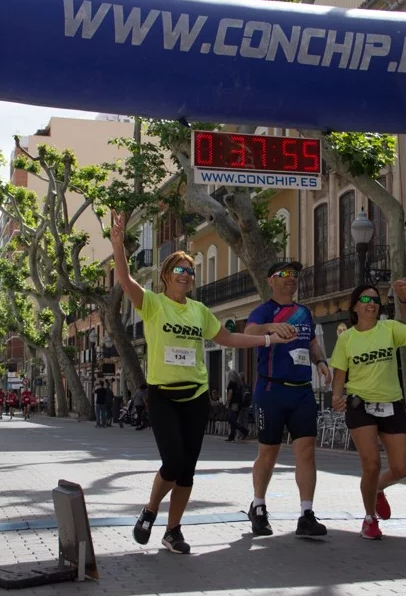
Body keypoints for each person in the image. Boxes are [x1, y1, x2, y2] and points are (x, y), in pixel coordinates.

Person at [110, 211, 294, 555]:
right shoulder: (152, 304)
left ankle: (173, 530)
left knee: (187, 471)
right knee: (173, 462)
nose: (186, 275)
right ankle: (151, 509)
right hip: (163, 395)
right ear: (166, 276)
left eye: (190, 271)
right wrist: (119, 246)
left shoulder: (198, 311)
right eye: (180, 269)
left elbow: (229, 339)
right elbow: (124, 278)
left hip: (195, 396)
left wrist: (268, 338)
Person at [329, 282, 406, 540]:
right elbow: (339, 374)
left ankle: (378, 489)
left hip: (392, 403)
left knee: (401, 468)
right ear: (354, 306)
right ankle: (370, 518)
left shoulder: (390, 329)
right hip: (359, 404)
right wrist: (337, 397)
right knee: (371, 464)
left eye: (375, 299)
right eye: (365, 299)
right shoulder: (346, 339)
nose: (371, 303)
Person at [243, 260, 333, 539]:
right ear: (271, 280)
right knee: (268, 452)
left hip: (302, 390)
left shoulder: (304, 312)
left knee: (306, 451)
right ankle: (258, 506)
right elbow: (247, 333)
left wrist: (321, 362)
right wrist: (270, 327)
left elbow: (311, 342)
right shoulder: (263, 311)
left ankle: (306, 513)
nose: (290, 278)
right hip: (271, 390)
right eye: (283, 274)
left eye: (294, 274)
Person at [224, 372, 249, 442]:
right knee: (233, 420)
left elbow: (230, 393)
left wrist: (227, 402)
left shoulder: (231, 383)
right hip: (239, 404)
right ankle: (231, 437)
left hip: (233, 404)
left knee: (231, 420)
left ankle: (244, 431)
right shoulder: (239, 384)